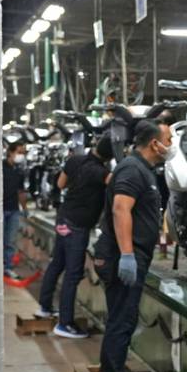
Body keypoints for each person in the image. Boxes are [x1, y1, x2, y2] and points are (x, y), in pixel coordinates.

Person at [89, 119, 171, 372]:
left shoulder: (142, 170)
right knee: (121, 321)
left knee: (122, 319)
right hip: (121, 255)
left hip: (130, 253)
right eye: (169, 139)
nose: (170, 145)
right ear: (154, 144)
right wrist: (126, 254)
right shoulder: (132, 169)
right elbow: (120, 209)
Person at [35, 135, 114, 338]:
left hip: (63, 218)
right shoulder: (101, 172)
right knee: (73, 274)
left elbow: (61, 184)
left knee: (57, 264)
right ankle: (65, 323)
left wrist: (79, 186)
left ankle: (44, 307)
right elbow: (117, 183)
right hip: (77, 226)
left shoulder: (75, 160)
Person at [3, 141, 28, 280]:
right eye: (19, 152)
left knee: (10, 241)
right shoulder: (0, 167)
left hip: (13, 210)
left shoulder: (19, 171)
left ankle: (7, 267)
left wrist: (24, 208)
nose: (21, 155)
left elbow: (21, 191)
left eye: (23, 153)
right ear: (10, 152)